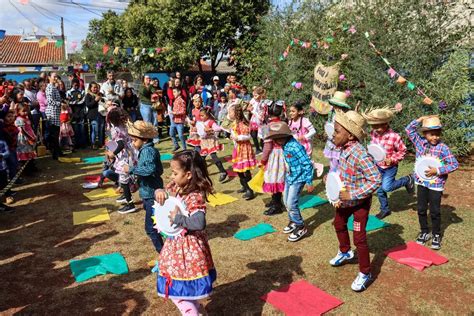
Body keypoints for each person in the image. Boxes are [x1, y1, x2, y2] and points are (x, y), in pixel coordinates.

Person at [154, 150, 216, 315]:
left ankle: (192, 312)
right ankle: (196, 310)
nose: (171, 176)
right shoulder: (176, 187)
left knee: (178, 288)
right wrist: (158, 193)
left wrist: (179, 219)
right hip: (175, 247)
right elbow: (165, 198)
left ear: (188, 174)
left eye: (175, 173)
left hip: (188, 250)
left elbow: (199, 222)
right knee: (183, 286)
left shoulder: (194, 196)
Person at [328, 110, 381, 292]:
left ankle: (365, 272)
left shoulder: (361, 154)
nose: (333, 134)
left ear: (350, 135)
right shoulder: (343, 149)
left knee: (359, 238)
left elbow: (375, 179)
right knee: (338, 223)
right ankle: (345, 252)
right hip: (344, 202)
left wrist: (354, 194)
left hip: (359, 204)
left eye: (336, 131)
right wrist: (334, 187)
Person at [406, 115, 458, 250]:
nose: (435, 137)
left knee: (434, 211)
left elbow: (454, 164)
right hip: (422, 183)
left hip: (436, 185)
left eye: (437, 134)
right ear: (424, 133)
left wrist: (438, 170)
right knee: (422, 209)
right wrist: (420, 119)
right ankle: (424, 232)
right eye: (431, 134)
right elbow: (409, 130)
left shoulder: (443, 148)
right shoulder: (420, 143)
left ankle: (436, 234)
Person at [363, 108, 415, 219]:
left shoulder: (394, 136)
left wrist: (392, 159)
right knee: (379, 189)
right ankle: (385, 209)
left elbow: (402, 150)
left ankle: (407, 180)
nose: (376, 129)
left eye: (378, 126)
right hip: (377, 166)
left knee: (386, 187)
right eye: (373, 126)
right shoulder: (373, 133)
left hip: (389, 167)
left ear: (386, 124)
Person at [266, 122, 314, 242]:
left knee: (292, 203)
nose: (275, 141)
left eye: (277, 138)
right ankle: (293, 221)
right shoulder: (284, 144)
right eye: (274, 139)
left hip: (299, 178)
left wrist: (309, 181)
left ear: (285, 136)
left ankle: (300, 226)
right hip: (290, 177)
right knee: (286, 202)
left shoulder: (294, 147)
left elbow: (307, 164)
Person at [125, 121, 164, 253]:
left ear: (145, 139)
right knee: (156, 225)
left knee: (151, 228)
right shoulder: (146, 150)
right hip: (149, 193)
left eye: (134, 140)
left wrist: (131, 169)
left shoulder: (147, 151)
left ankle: (164, 253)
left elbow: (149, 169)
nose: (132, 143)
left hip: (152, 194)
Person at [106, 108, 137, 214]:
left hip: (125, 157)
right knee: (124, 178)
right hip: (130, 154)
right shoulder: (126, 125)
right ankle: (126, 195)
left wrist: (112, 153)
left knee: (123, 178)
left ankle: (130, 204)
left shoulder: (117, 129)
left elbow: (121, 144)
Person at [260, 100, 286, 216]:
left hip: (273, 156)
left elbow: (267, 146)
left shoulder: (266, 127)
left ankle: (277, 205)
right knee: (279, 177)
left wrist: (263, 160)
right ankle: (276, 201)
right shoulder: (284, 124)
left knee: (273, 178)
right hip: (283, 154)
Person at [230, 102, 256, 200]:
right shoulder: (234, 123)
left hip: (244, 148)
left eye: (230, 112)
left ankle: (250, 190)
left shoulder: (243, 123)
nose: (229, 114)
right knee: (238, 169)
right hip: (238, 148)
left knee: (245, 169)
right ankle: (245, 186)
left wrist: (238, 137)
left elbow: (248, 135)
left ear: (235, 113)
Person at [323, 91, 351, 171]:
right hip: (331, 140)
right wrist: (326, 131)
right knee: (332, 160)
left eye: (338, 105)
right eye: (335, 105)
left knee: (339, 160)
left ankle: (336, 176)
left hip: (339, 140)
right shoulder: (331, 113)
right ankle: (332, 175)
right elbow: (329, 124)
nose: (336, 107)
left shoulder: (344, 116)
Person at [199, 106, 227, 182]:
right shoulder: (201, 122)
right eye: (200, 115)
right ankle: (201, 173)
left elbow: (218, 128)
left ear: (207, 115)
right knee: (201, 158)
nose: (201, 117)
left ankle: (223, 171)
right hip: (204, 142)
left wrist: (210, 129)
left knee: (214, 157)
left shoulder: (211, 121)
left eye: (203, 115)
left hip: (210, 141)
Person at [45, 72, 63, 159]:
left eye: (56, 76)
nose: (56, 78)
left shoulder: (54, 87)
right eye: (54, 76)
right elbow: (50, 101)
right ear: (49, 77)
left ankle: (58, 151)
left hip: (56, 112)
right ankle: (55, 153)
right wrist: (60, 104)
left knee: (56, 134)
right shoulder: (49, 87)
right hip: (52, 113)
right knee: (54, 134)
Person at [66, 78, 87, 148]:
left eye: (77, 85)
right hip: (73, 113)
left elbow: (83, 101)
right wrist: (75, 102)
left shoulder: (82, 91)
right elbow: (68, 103)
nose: (76, 86)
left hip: (81, 112)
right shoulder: (68, 92)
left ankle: (83, 144)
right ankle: (76, 144)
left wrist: (75, 102)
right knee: (75, 129)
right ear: (72, 84)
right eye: (75, 85)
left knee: (82, 129)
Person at [85, 82, 105, 149]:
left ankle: (100, 143)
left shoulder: (100, 94)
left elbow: (104, 102)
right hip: (93, 115)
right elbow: (88, 105)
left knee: (101, 129)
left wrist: (101, 98)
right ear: (90, 88)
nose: (95, 89)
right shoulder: (88, 95)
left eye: (96, 87)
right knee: (94, 130)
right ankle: (93, 144)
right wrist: (95, 100)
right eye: (93, 87)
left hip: (101, 114)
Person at [248, 86, 266, 154]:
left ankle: (264, 148)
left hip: (262, 120)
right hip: (254, 119)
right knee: (253, 135)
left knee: (264, 135)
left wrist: (262, 114)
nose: (254, 97)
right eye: (253, 95)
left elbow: (265, 110)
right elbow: (248, 107)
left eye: (256, 95)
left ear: (260, 95)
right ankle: (257, 149)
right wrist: (250, 109)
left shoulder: (264, 101)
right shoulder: (252, 100)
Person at [170, 87, 187, 152]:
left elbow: (183, 111)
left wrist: (175, 113)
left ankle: (184, 148)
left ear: (179, 92)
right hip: (174, 121)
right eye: (173, 92)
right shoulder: (175, 100)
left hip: (180, 121)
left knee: (180, 135)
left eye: (174, 92)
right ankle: (176, 145)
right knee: (171, 134)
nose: (173, 93)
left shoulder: (182, 101)